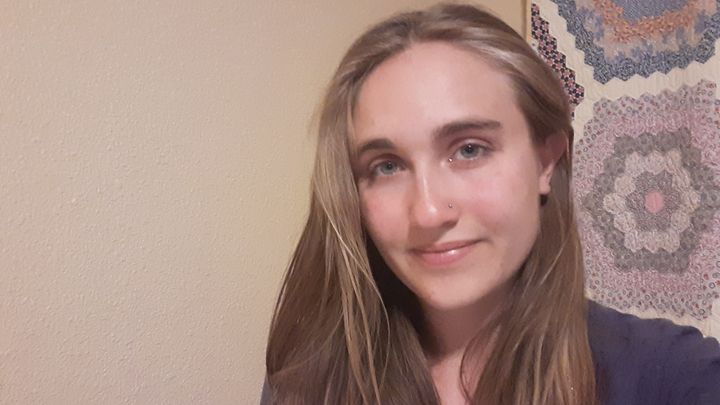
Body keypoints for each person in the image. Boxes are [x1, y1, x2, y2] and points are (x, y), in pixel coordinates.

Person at [262, 3, 720, 404]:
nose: (427, 212)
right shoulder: (312, 380)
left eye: (469, 149)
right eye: (387, 166)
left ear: (545, 161)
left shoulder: (673, 374)